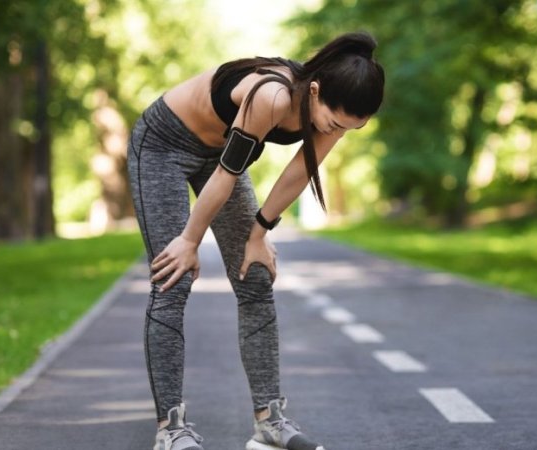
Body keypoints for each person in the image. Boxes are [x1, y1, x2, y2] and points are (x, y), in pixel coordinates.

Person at [126, 31, 385, 450]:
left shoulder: (335, 107)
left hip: (219, 157)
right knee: (172, 279)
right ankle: (169, 428)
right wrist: (189, 240)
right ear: (314, 91)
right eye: (335, 123)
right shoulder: (272, 96)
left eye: (348, 129)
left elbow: (300, 171)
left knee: (255, 277)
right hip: (164, 147)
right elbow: (227, 175)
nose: (337, 131)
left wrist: (259, 234)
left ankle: (268, 421)